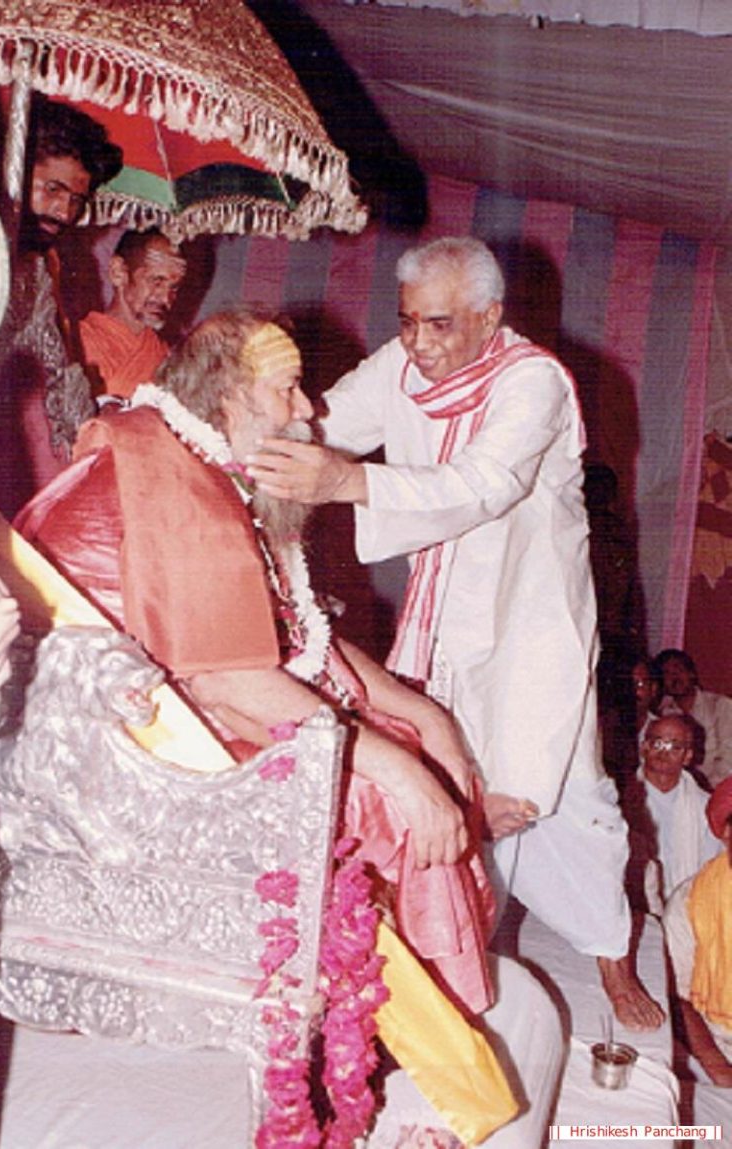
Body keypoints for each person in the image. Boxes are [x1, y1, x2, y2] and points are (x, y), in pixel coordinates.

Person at [14, 311, 500, 1020]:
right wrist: (401, 771)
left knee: (408, 736)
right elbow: (227, 681)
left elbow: (296, 632)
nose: (308, 410)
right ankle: (399, 1019)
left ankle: (403, 998)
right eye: (288, 389)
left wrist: (424, 713)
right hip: (121, 750)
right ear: (231, 398)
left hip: (178, 706)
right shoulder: (176, 486)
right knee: (389, 793)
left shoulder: (199, 462)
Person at [245, 235, 664, 1030]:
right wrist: (239, 436)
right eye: (407, 321)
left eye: (439, 324)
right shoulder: (402, 367)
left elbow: (484, 484)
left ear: (489, 317)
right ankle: (446, 952)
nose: (419, 342)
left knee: (567, 794)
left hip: (532, 613)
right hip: (439, 612)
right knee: (440, 774)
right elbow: (321, 426)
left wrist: (348, 481)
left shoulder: (534, 380)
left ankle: (614, 956)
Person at [0, 95, 122, 516]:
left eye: (77, 200)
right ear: (12, 168)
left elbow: (57, 374)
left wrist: (94, 450)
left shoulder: (36, 271)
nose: (64, 211)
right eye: (53, 188)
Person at [663, 776, 732, 1087]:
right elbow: (676, 996)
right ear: (726, 833)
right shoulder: (689, 901)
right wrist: (718, 1067)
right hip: (711, 1045)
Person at [622, 715, 722, 916]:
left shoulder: (705, 807)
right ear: (644, 747)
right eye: (657, 743)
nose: (664, 752)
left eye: (674, 746)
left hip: (691, 910)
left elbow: (712, 870)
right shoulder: (620, 801)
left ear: (688, 756)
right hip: (636, 911)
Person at [79, 229, 187, 401]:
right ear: (118, 273)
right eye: (156, 281)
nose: (166, 299)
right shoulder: (80, 341)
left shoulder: (165, 354)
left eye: (174, 288)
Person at [655, 648, 732, 789]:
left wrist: (703, 788)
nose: (675, 677)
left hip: (715, 788)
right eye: (667, 673)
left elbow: (729, 757)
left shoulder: (720, 706)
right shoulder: (661, 714)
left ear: (692, 673)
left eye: (679, 670)